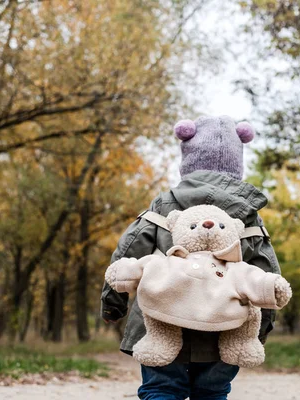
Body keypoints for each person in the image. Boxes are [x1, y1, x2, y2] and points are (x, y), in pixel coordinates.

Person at [100, 115, 282, 400]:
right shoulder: (247, 214)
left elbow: (128, 252)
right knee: (212, 392)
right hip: (224, 328)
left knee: (161, 389)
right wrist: (261, 328)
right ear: (238, 165)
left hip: (160, 320)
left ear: (187, 159)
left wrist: (113, 304)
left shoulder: (163, 205)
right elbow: (266, 273)